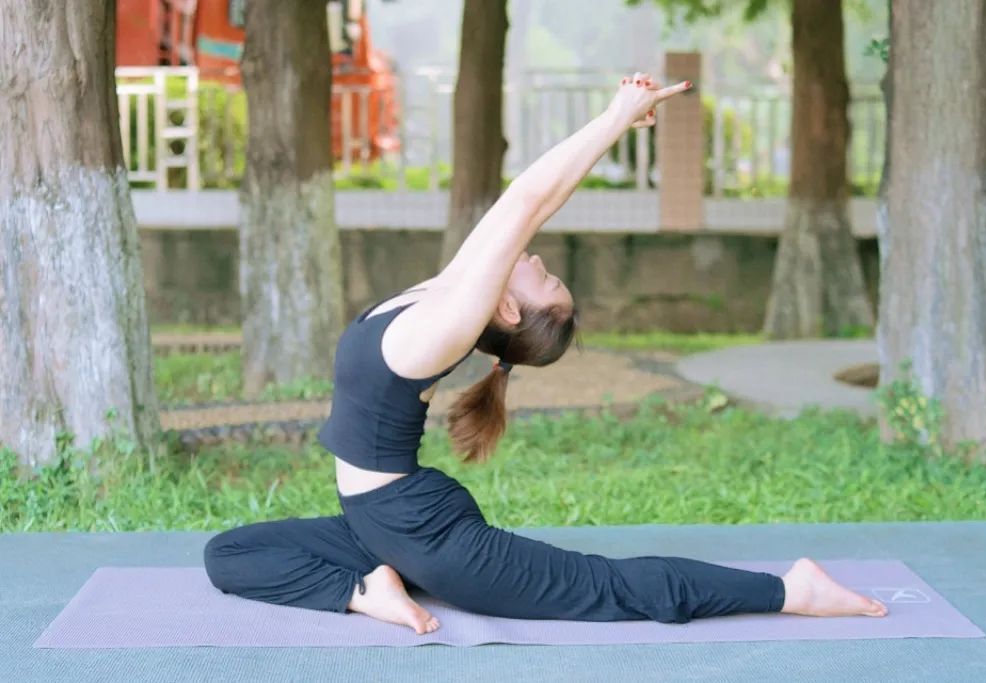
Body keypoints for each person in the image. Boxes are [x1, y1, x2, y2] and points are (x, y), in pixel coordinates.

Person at [204, 73, 888, 635]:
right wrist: (614, 120)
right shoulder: (443, 294)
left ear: (507, 311)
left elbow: (530, 202)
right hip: (377, 526)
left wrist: (617, 118)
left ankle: (790, 589)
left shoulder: (446, 324)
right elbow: (523, 203)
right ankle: (366, 589)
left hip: (428, 538)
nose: (535, 259)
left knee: (608, 587)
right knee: (228, 553)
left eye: (545, 278)